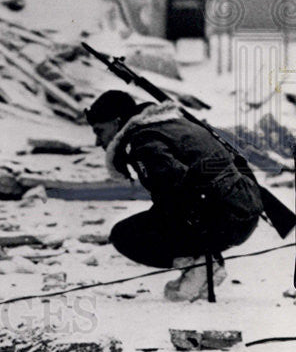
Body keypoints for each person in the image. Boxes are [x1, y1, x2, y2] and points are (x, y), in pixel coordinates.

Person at [85, 90, 263, 301]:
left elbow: (173, 189)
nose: (98, 141)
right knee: (163, 215)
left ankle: (199, 268)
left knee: (126, 235)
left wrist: (183, 234)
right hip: (241, 211)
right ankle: (204, 266)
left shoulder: (142, 141)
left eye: (99, 131)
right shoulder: (173, 125)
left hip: (222, 217)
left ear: (116, 123)